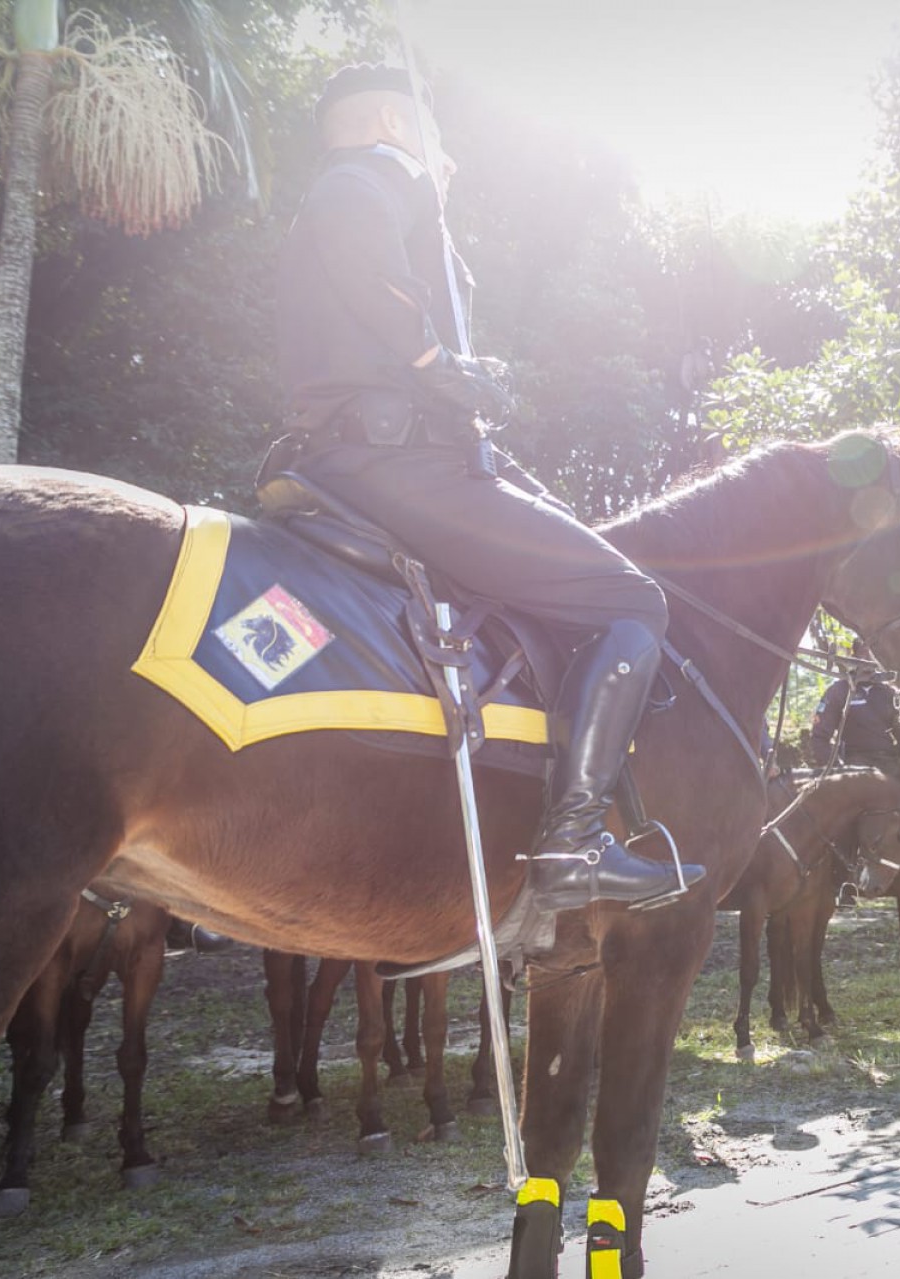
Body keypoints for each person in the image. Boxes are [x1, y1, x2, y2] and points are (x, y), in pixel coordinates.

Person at [272, 65, 699, 912]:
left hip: (376, 452)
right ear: (394, 120)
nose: (452, 162)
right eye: (441, 137)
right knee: (633, 602)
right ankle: (572, 845)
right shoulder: (366, 180)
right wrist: (441, 365)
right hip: (396, 463)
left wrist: (463, 381)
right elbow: (370, 267)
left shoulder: (374, 193)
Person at [809, 644, 900, 772]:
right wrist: (837, 769)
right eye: (863, 655)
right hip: (853, 766)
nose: (868, 660)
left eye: (872, 655)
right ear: (854, 658)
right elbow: (819, 737)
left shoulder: (888, 693)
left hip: (887, 764)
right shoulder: (838, 691)